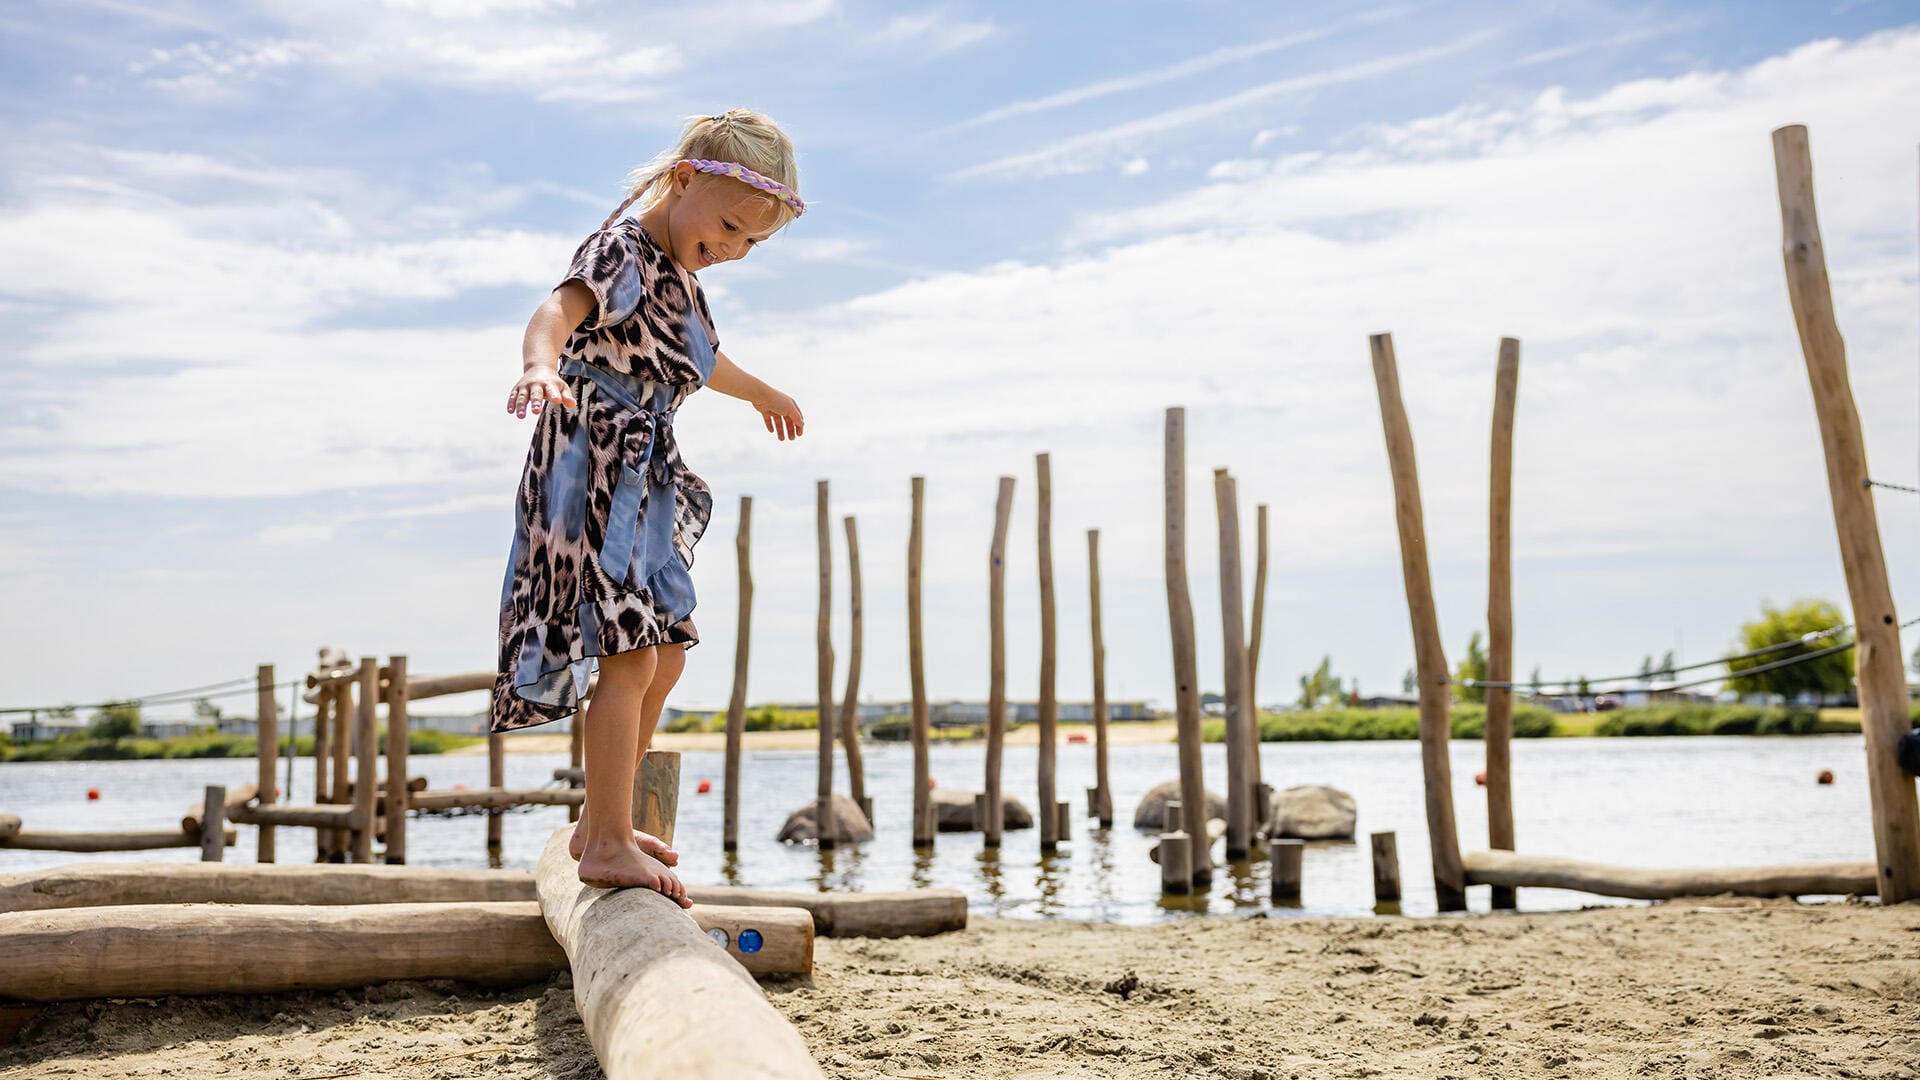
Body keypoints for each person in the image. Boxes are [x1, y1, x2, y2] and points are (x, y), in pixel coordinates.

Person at [492, 109, 806, 902]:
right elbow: (557, 312)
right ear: (685, 179)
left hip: (647, 478)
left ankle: (607, 820)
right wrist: (538, 365)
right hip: (589, 466)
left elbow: (704, 362)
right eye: (730, 225)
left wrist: (762, 390)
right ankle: (600, 843)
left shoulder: (685, 287)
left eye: (752, 243)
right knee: (628, 651)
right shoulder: (622, 250)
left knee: (664, 653)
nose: (734, 248)